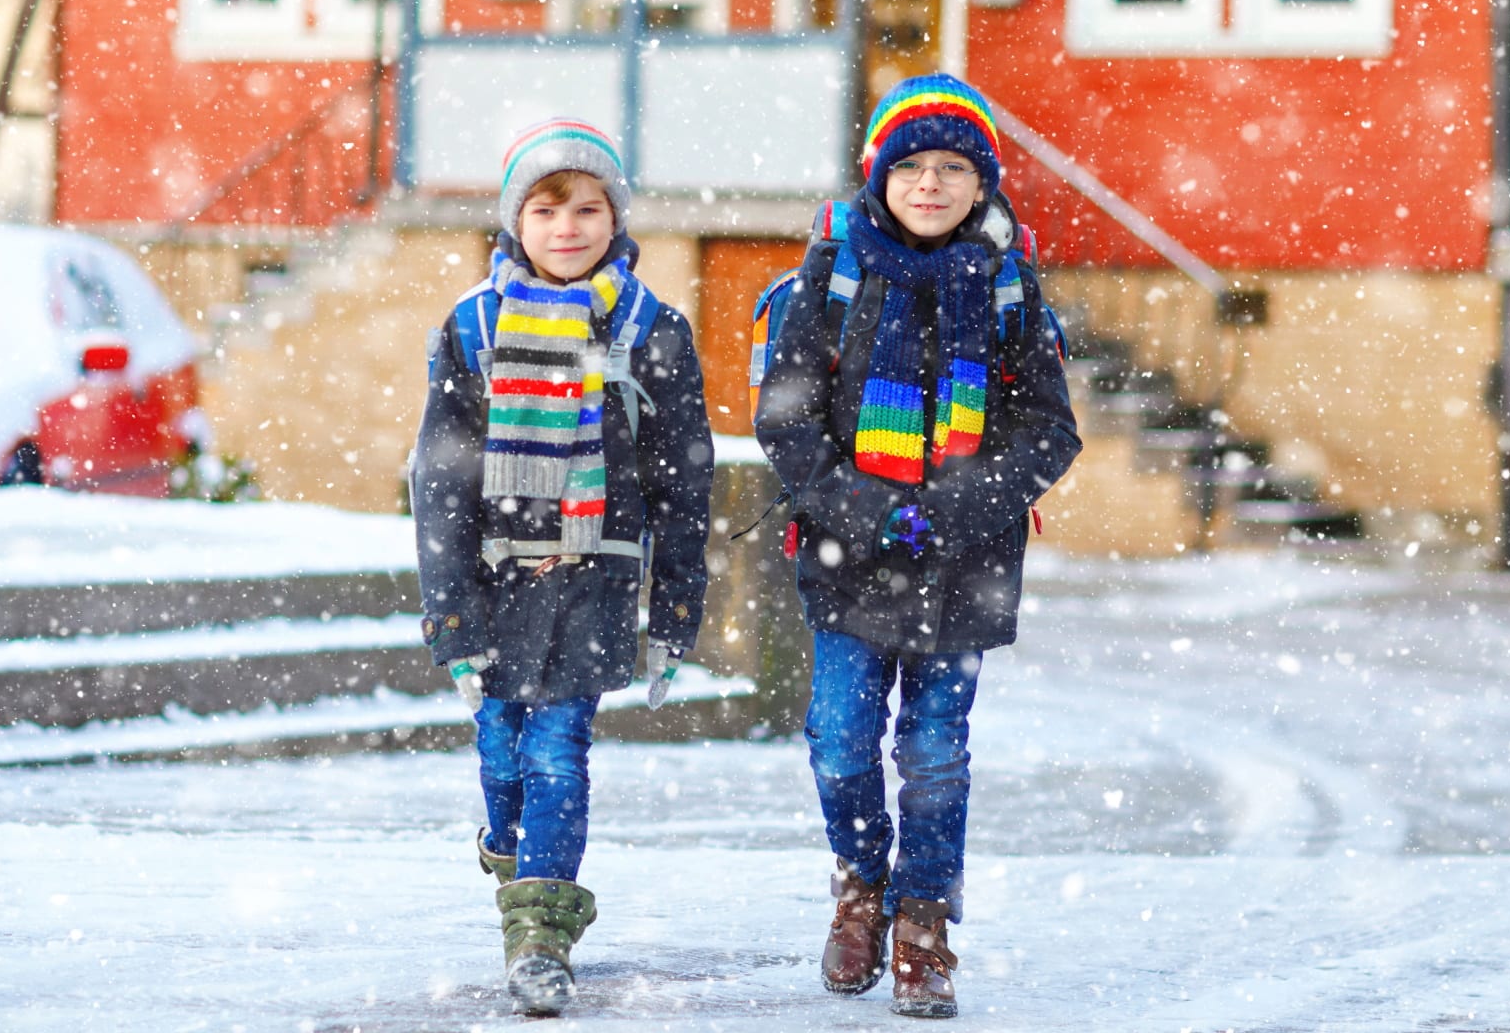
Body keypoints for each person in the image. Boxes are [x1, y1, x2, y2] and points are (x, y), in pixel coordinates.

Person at [754, 74, 1081, 1019]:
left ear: (982, 184)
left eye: (953, 168)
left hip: (965, 563)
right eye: (912, 167)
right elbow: (787, 419)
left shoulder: (1010, 289)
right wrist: (864, 507)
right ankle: (860, 885)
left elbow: (1046, 432)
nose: (931, 185)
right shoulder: (835, 273)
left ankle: (923, 922)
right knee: (841, 741)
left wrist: (960, 505)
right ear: (879, 176)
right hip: (845, 556)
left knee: (936, 753)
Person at [411, 118, 713, 1016]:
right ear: (518, 220)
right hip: (495, 579)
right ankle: (511, 851)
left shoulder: (653, 328)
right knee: (502, 754)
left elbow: (683, 482)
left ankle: (539, 937)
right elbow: (440, 482)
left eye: (588, 208)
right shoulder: (473, 325)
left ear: (615, 217)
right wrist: (452, 618)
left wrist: (674, 614)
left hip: (598, 574)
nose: (568, 227)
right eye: (547, 209)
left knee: (557, 753)